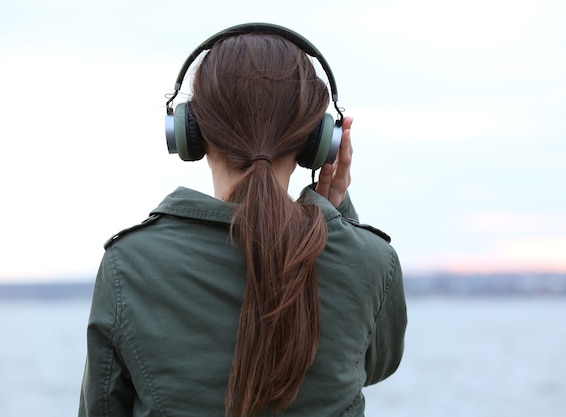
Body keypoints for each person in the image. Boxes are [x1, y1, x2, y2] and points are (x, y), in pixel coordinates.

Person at [78, 24, 407, 417]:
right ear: (318, 141)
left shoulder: (129, 264)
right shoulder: (372, 262)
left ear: (190, 132)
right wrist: (333, 215)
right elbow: (372, 367)